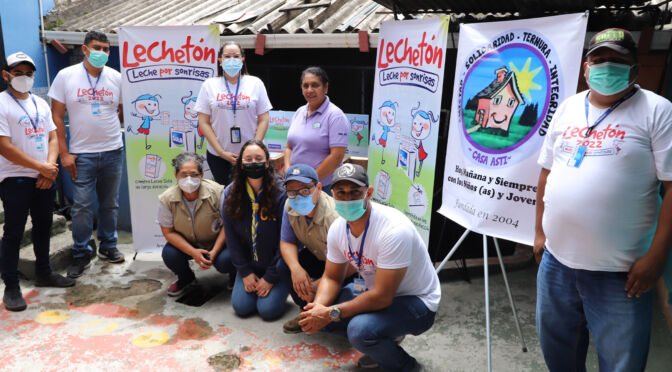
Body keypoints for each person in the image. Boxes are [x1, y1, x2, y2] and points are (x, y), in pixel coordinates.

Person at [534, 28, 672, 372]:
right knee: (559, 356)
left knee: (621, 364)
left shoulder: (657, 110)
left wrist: (656, 258)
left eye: (618, 61)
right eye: (600, 59)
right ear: (586, 67)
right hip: (557, 265)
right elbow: (545, 175)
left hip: (621, 274)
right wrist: (539, 234)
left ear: (635, 70)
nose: (607, 67)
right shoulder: (567, 108)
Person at [299, 164, 441, 371]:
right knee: (321, 312)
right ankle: (386, 335)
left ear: (369, 192)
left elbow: (383, 296)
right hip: (375, 292)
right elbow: (331, 277)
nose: (347, 199)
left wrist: (330, 313)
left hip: (417, 302)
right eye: (341, 192)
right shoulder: (338, 228)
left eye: (355, 192)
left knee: (359, 331)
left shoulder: (394, 230)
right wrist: (318, 310)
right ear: (333, 194)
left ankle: (405, 366)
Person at [0, 52, 75, 312]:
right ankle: (11, 285)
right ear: (6, 75)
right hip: (14, 178)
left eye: (28, 73)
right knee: (14, 232)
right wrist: (40, 167)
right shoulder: (1, 104)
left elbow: (53, 137)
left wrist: (49, 168)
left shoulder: (40, 104)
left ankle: (44, 272)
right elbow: (4, 147)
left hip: (44, 177)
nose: (24, 78)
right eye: (17, 73)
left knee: (44, 226)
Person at [49, 30, 125, 278]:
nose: (102, 52)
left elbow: (121, 110)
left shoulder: (116, 77)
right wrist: (64, 153)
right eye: (97, 47)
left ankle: (108, 246)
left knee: (109, 204)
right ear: (84, 49)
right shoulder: (66, 76)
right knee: (82, 206)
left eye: (106, 49)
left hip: (113, 151)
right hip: (81, 155)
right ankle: (81, 252)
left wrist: (109, 129)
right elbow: (56, 117)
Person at [222, 139, 289, 320]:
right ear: (241, 164)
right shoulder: (230, 193)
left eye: (258, 158)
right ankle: (247, 280)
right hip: (250, 266)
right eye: (248, 159)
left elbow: (287, 241)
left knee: (268, 310)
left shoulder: (281, 193)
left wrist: (270, 277)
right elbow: (231, 239)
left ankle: (281, 284)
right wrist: (244, 272)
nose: (253, 163)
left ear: (267, 163)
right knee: (241, 308)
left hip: (276, 266)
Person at [277, 163, 347, 333]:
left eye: (305, 190)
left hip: (344, 265)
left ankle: (323, 314)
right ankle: (306, 311)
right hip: (317, 255)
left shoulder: (336, 217)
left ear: (319, 188)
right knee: (284, 266)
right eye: (292, 192)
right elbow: (287, 241)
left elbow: (350, 263)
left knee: (343, 306)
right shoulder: (289, 206)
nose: (298, 196)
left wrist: (318, 284)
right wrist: (296, 270)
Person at [158, 152, 235, 297]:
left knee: (227, 259)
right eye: (183, 174)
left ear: (201, 175)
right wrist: (193, 252)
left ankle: (234, 276)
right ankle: (186, 278)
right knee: (170, 254)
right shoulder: (167, 199)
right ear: (176, 175)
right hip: (189, 243)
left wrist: (214, 252)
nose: (189, 179)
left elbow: (228, 225)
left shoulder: (218, 192)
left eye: (194, 174)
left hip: (217, 242)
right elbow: (168, 232)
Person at [195, 41, 272, 185]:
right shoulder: (209, 85)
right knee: (226, 197)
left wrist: (253, 148)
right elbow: (203, 122)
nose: (232, 60)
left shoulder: (255, 83)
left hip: (251, 157)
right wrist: (221, 152)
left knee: (251, 196)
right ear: (220, 60)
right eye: (227, 56)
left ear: (243, 59)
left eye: (236, 56)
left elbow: (264, 118)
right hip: (218, 156)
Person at [284, 67, 349, 192]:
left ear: (326, 87)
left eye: (315, 85)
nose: (310, 90)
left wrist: (310, 182)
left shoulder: (335, 116)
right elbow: (289, 147)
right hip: (295, 186)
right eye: (305, 85)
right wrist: (288, 172)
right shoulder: (299, 112)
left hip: (322, 187)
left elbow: (336, 157)